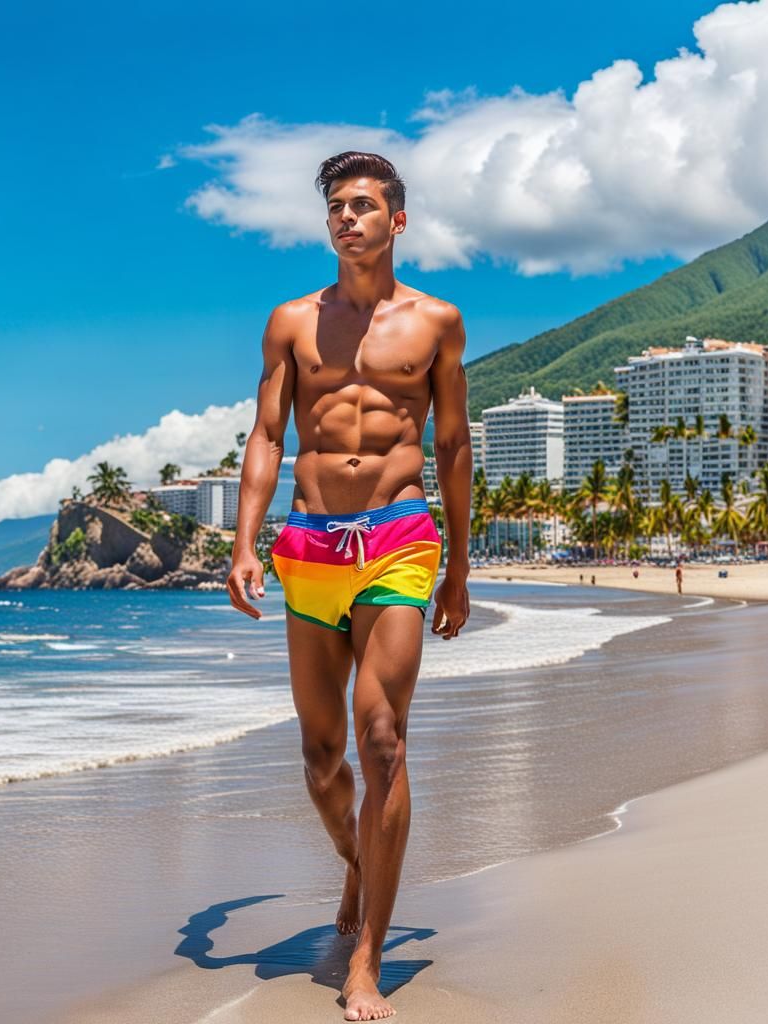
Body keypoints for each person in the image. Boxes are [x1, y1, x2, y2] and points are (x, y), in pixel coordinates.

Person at [228, 151, 472, 1021]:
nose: (347, 218)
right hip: (309, 545)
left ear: (396, 221)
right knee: (322, 759)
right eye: (336, 206)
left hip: (401, 539)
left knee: (382, 740)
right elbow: (265, 435)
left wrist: (460, 568)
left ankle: (367, 956)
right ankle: (361, 863)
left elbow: (450, 446)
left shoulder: (437, 322)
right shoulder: (291, 323)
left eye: (364, 205)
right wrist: (245, 542)